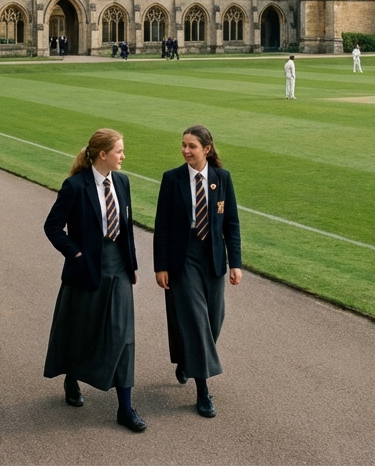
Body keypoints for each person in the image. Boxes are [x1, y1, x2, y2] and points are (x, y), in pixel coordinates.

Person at [43, 129, 145, 432]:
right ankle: (71, 379)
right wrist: (74, 254)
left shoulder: (123, 183)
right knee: (80, 331)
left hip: (119, 270)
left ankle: (125, 408)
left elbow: (125, 228)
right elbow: (52, 227)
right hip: (86, 270)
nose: (124, 157)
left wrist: (132, 265)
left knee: (124, 337)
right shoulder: (75, 186)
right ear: (103, 154)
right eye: (119, 151)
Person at [154, 126, 242, 418]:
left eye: (192, 146)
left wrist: (236, 264)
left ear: (207, 148)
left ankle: (186, 360)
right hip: (184, 259)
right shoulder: (172, 179)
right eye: (183, 145)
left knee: (213, 320)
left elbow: (231, 224)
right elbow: (162, 226)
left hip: (213, 259)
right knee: (195, 320)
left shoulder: (222, 178)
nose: (186, 151)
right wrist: (161, 266)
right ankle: (203, 391)